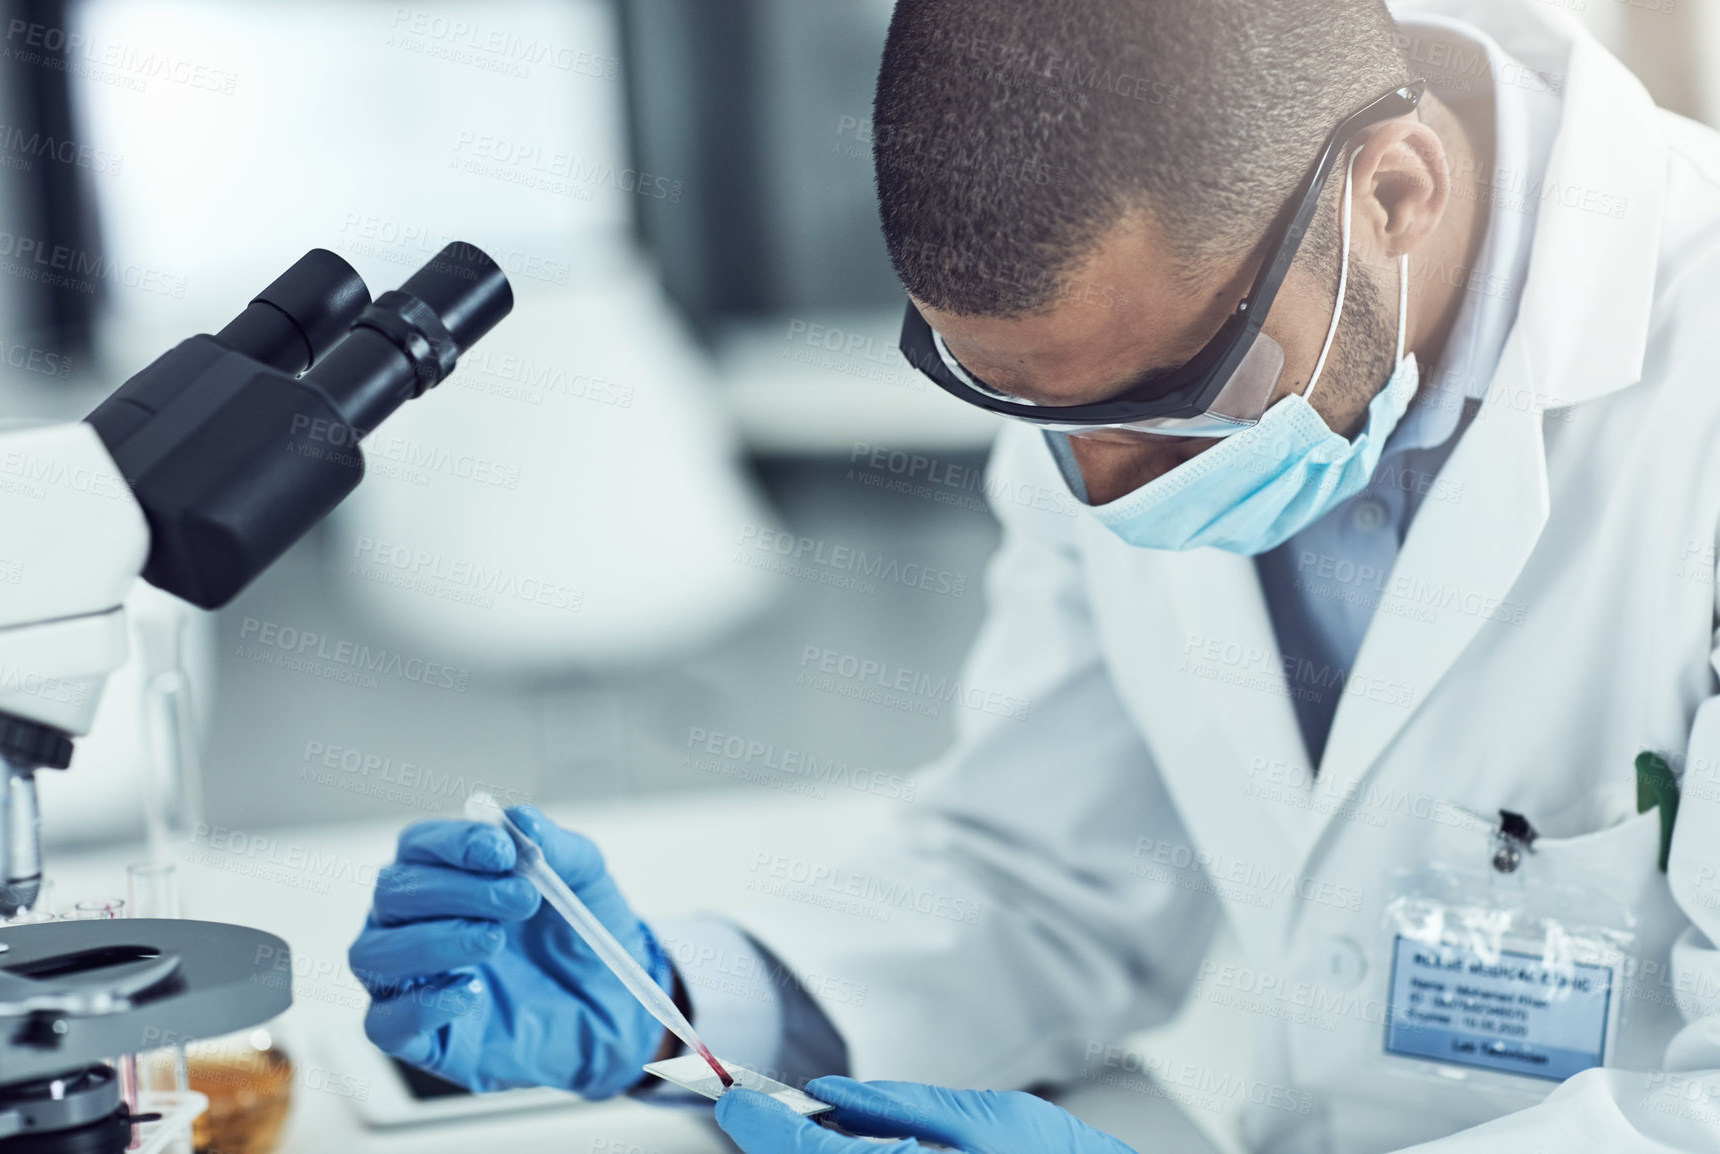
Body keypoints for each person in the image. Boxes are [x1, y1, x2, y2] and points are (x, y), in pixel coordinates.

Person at [349, 0, 1720, 1149]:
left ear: (1396, 193)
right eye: (1041, 418)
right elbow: (1046, 882)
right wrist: (672, 993)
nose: (1114, 488)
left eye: (1180, 396)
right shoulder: (1101, 371)